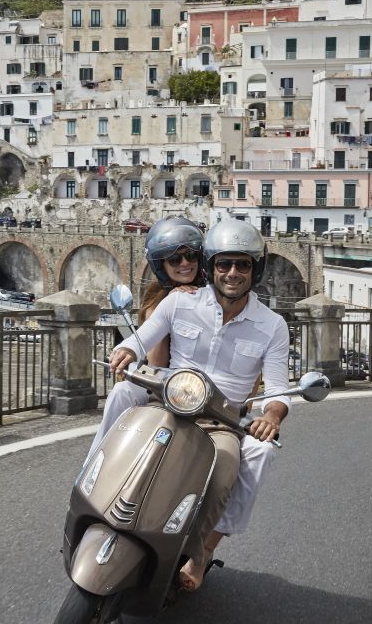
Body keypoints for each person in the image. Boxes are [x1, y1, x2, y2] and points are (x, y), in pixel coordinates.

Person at [106, 219, 291, 593]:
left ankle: (201, 551)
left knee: (243, 456)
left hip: (222, 422)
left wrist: (271, 415)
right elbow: (142, 339)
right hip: (169, 403)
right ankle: (97, 482)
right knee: (123, 396)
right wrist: (125, 350)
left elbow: (278, 390)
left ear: (256, 270)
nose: (233, 273)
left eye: (243, 265)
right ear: (211, 268)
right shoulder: (180, 301)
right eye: (224, 264)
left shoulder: (272, 325)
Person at [82, 217, 204, 462]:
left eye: (191, 256)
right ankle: (95, 463)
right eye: (174, 259)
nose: (184, 264)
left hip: (205, 387)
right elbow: (156, 362)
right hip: (167, 385)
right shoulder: (158, 301)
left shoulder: (214, 295)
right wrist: (172, 305)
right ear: (161, 265)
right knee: (122, 392)